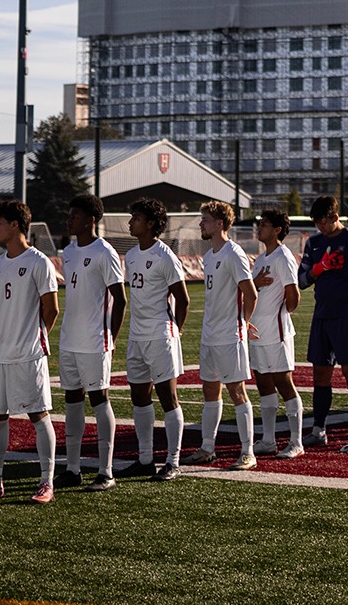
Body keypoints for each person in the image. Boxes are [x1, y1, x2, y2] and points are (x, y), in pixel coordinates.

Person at [0, 200, 60, 503]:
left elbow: (52, 309)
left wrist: (35, 337)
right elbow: (1, 306)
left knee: (38, 414)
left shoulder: (39, 262)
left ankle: (47, 481)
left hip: (28, 353)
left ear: (15, 226)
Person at [55, 194, 125, 492]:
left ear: (90, 221)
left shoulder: (104, 252)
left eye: (74, 216)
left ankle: (106, 471)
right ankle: (72, 468)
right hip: (69, 339)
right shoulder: (69, 252)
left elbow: (120, 300)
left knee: (99, 400)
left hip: (95, 341)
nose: (69, 220)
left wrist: (110, 337)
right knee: (71, 401)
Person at [296, 194, 348, 449]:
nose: (319, 227)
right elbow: (301, 281)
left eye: (323, 221)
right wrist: (317, 269)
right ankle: (318, 430)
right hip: (322, 315)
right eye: (316, 223)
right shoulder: (314, 243)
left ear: (334, 217)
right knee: (320, 375)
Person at [183, 200, 259, 469]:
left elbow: (251, 293)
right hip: (210, 334)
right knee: (210, 390)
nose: (201, 224)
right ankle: (207, 448)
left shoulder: (232, 253)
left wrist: (243, 323)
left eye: (205, 219)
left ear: (219, 224)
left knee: (237, 392)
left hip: (229, 335)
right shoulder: (211, 255)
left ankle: (248, 452)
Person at [121, 197, 188, 481]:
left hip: (160, 334)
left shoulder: (165, 257)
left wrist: (175, 331)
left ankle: (173, 461)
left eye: (135, 217)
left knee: (167, 397)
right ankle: (145, 458)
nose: (130, 222)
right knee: (139, 396)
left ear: (150, 224)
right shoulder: (132, 255)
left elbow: (183, 300)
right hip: (137, 335)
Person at [249, 208, 304, 457]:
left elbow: (293, 294)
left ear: (278, 230)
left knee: (284, 382)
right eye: (259, 223)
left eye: (264, 224)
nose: (259, 227)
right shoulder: (261, 259)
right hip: (258, 330)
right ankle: (268, 439)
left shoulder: (283, 256)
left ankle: (296, 442)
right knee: (263, 382)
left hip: (276, 331)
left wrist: (281, 315)